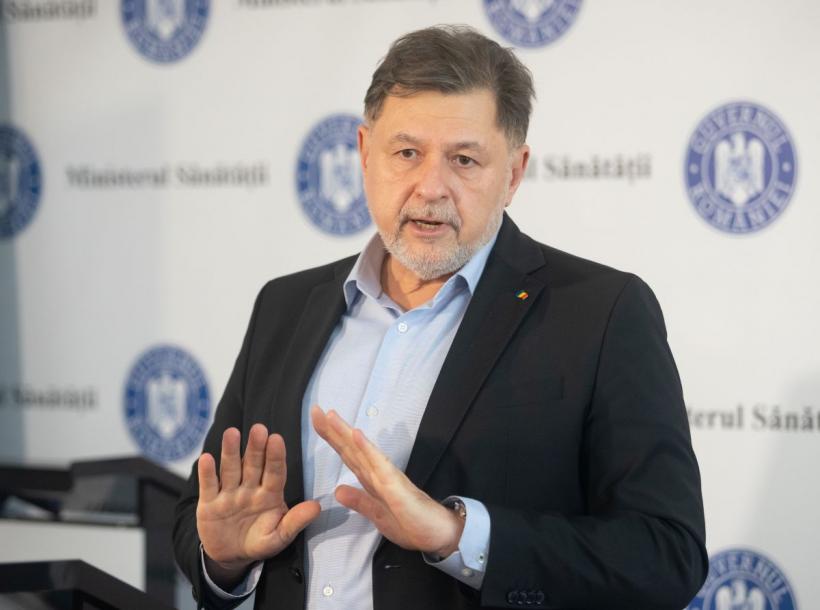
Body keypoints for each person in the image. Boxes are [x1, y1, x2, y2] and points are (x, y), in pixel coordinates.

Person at [173, 25, 707, 610]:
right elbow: (201, 517)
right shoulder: (285, 304)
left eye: (464, 160)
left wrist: (457, 535)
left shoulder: (600, 312)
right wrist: (225, 559)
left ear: (514, 173)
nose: (431, 187)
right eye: (407, 153)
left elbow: (666, 556)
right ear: (364, 154)